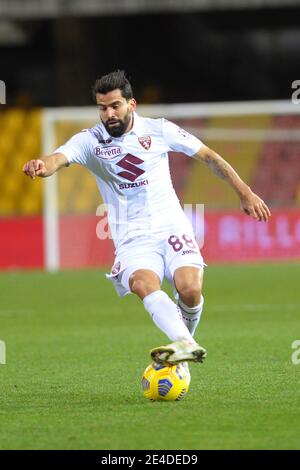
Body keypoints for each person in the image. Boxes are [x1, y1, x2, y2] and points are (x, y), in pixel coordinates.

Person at [23, 70, 271, 367]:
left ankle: (182, 349)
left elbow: (208, 156)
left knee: (190, 289)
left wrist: (244, 192)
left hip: (171, 225)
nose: (109, 114)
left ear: (132, 104)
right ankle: (185, 344)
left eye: (115, 106)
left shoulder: (159, 130)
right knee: (143, 283)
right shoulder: (89, 141)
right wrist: (42, 165)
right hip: (132, 235)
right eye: (102, 108)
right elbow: (57, 160)